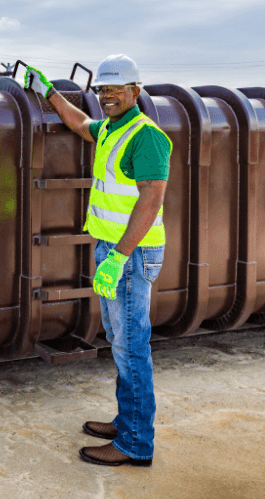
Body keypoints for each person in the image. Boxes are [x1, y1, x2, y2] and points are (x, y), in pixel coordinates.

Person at [25, 55, 171, 467]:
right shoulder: (111, 129)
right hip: (113, 249)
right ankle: (128, 422)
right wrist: (48, 92)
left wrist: (119, 256)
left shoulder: (147, 137)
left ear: (135, 92)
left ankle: (136, 443)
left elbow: (151, 199)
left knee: (131, 347)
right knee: (120, 340)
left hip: (131, 252)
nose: (106, 96)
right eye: (102, 90)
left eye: (115, 90)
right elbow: (78, 123)